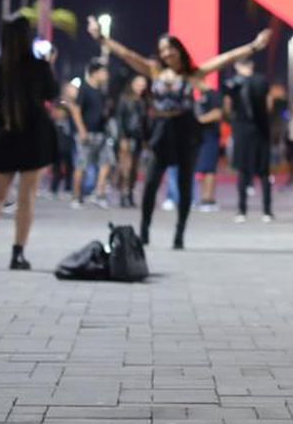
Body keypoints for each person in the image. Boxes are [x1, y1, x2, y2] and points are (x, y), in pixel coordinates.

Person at [89, 16, 269, 249]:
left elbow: (225, 59)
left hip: (185, 130)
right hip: (161, 130)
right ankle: (144, 230)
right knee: (152, 182)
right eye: (162, 50)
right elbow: (127, 54)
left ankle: (179, 234)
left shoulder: (192, 74)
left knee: (185, 184)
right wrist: (102, 38)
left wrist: (254, 46)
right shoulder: (154, 71)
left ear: (178, 50)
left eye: (170, 49)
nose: (166, 54)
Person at [0, 16, 59, 270]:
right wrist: (49, 65)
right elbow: (51, 93)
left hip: (5, 130)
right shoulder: (38, 67)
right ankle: (17, 254)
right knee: (27, 197)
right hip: (33, 133)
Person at [223, 57, 274, 223]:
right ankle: (266, 211)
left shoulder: (232, 84)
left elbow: (227, 106)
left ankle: (241, 211)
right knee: (264, 172)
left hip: (243, 130)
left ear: (238, 66)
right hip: (260, 130)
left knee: (243, 172)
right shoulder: (262, 81)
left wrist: (233, 120)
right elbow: (269, 104)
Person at [68, 60, 114, 208]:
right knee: (82, 165)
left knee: (106, 162)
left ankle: (99, 194)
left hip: (101, 133)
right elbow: (75, 110)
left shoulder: (103, 91)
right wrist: (82, 130)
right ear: (95, 73)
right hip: (86, 133)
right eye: (103, 72)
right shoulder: (84, 88)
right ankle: (76, 197)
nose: (106, 75)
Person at [112, 74, 149, 207]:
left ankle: (130, 193)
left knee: (135, 168)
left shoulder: (144, 100)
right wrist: (122, 138)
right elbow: (119, 119)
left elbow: (145, 122)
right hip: (126, 137)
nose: (141, 87)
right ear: (132, 84)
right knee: (125, 167)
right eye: (139, 84)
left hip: (138, 138)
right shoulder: (125, 98)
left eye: (143, 84)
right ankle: (124, 194)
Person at [190, 84, 224, 211]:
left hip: (210, 136)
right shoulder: (194, 95)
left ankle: (208, 200)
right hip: (197, 137)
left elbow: (218, 113)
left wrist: (199, 120)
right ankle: (199, 198)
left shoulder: (213, 94)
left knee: (209, 169)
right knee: (199, 169)